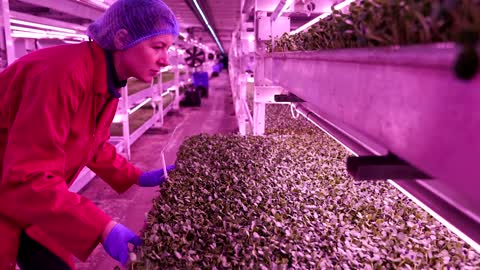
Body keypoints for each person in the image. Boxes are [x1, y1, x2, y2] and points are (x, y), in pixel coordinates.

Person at [0, 0, 179, 269]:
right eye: (157, 47)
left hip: (26, 192)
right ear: (122, 39)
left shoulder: (105, 79)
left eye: (168, 49)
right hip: (13, 187)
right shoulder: (64, 75)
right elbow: (27, 176)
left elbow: (90, 143)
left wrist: (135, 175)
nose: (165, 60)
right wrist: (102, 227)